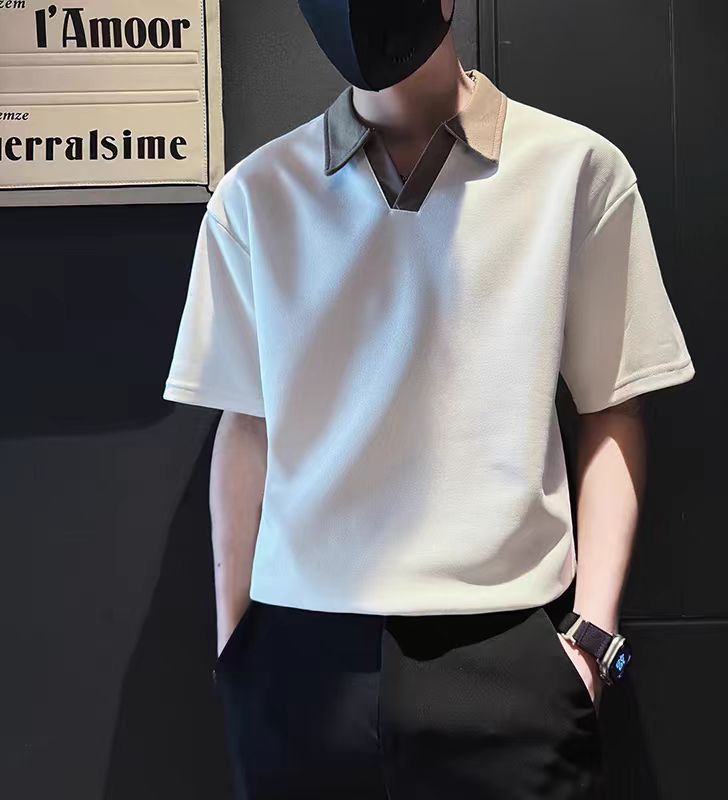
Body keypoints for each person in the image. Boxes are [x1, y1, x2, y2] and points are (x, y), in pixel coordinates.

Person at [162, 2, 695, 798]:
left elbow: (613, 405)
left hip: (509, 648)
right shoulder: (256, 194)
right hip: (298, 657)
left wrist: (591, 635)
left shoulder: (575, 170)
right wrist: (235, 643)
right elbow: (245, 424)